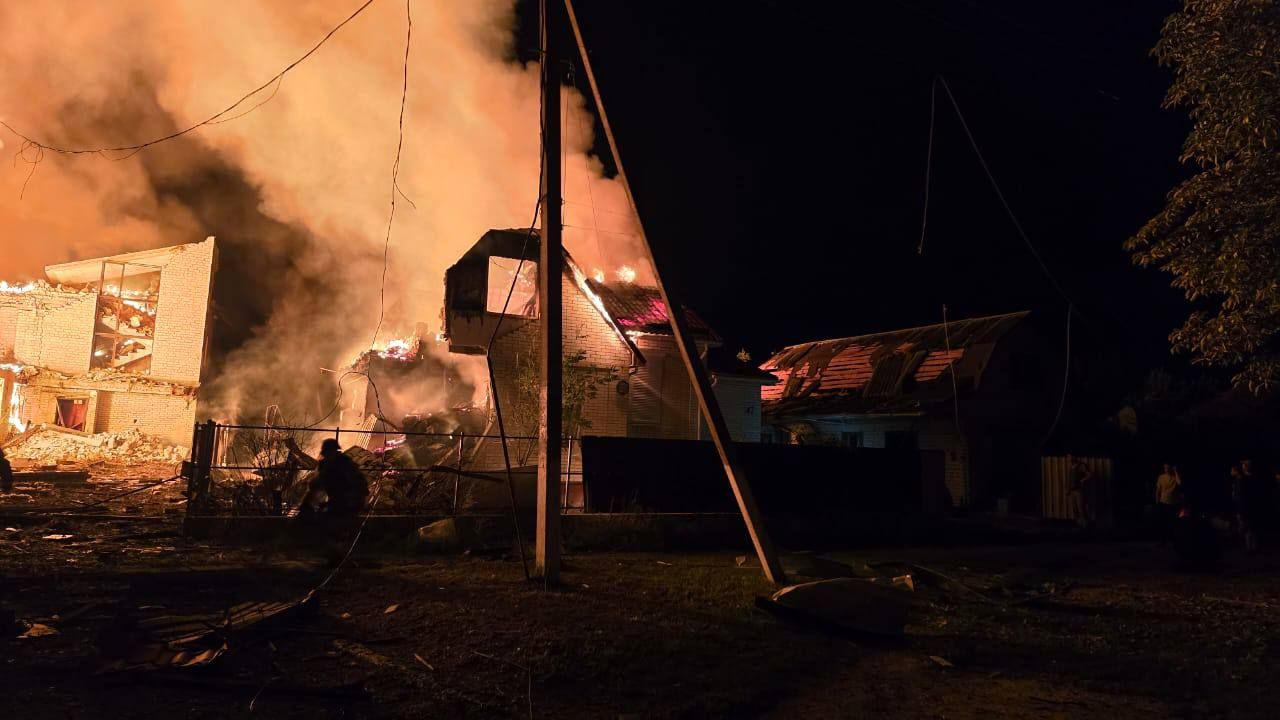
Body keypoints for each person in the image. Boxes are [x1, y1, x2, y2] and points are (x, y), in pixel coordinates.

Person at [299, 439, 369, 563]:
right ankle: (336, 554)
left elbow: (357, 486)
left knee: (335, 525)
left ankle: (339, 555)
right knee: (327, 523)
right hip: (339, 500)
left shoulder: (345, 464)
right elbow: (316, 486)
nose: (327, 456)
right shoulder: (325, 466)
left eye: (329, 453)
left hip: (351, 500)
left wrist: (350, 502)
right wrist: (305, 504)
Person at [1155, 463, 1182, 545]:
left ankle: (1174, 541)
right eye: (1164, 468)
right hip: (1163, 502)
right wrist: (1157, 501)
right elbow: (1158, 490)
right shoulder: (1161, 477)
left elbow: (1180, 483)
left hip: (1173, 503)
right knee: (1163, 523)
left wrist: (1176, 471)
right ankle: (1163, 541)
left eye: (1167, 468)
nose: (1165, 469)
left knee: (1173, 523)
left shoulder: (1174, 477)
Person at [1066, 454, 1094, 528]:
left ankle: (1086, 525)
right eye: (1068, 457)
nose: (1069, 458)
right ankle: (1080, 525)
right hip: (1072, 491)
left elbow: (1090, 474)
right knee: (1074, 509)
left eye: (1070, 456)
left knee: (1081, 509)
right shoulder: (1071, 466)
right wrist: (1068, 490)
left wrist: (1083, 480)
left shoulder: (1081, 465)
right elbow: (1070, 479)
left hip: (1079, 491)